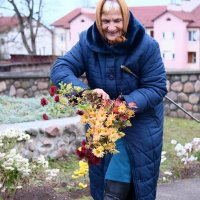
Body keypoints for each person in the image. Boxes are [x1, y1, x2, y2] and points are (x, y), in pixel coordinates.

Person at [50, 0, 167, 199]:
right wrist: (86, 94)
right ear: (98, 20)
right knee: (102, 182)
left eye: (117, 21)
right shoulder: (87, 42)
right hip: (101, 122)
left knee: (133, 185)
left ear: (126, 19)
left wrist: (122, 105)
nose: (111, 28)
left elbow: (156, 88)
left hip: (141, 122)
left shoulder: (147, 46)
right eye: (105, 21)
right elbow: (60, 69)